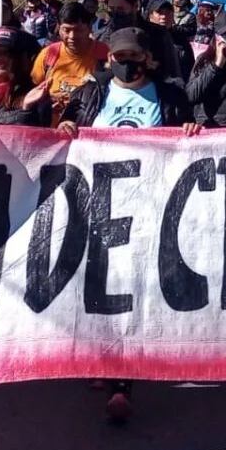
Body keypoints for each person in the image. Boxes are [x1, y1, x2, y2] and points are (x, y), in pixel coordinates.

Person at [55, 27, 197, 422]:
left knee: (129, 288)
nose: (126, 62)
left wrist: (190, 130)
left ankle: (123, 378)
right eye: (119, 56)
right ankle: (101, 359)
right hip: (96, 207)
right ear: (109, 58)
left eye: (134, 56)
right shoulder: (92, 92)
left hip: (150, 206)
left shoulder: (169, 95)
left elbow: (192, 137)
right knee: (96, 286)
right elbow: (63, 126)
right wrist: (65, 127)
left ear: (148, 59)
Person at [31, 2, 110, 124]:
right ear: (59, 28)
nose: (72, 36)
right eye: (66, 30)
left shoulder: (103, 54)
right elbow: (32, 90)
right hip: (51, 130)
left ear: (89, 28)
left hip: (87, 129)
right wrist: (47, 102)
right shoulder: (49, 54)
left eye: (78, 30)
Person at [97, 0, 182, 85]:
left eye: (120, 9)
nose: (115, 14)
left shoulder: (158, 35)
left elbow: (173, 75)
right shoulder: (102, 37)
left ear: (135, 6)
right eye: (112, 9)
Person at [149, 0, 195, 76]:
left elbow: (190, 65)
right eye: (159, 13)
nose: (164, 17)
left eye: (167, 13)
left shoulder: (180, 38)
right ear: (151, 16)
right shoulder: (145, 38)